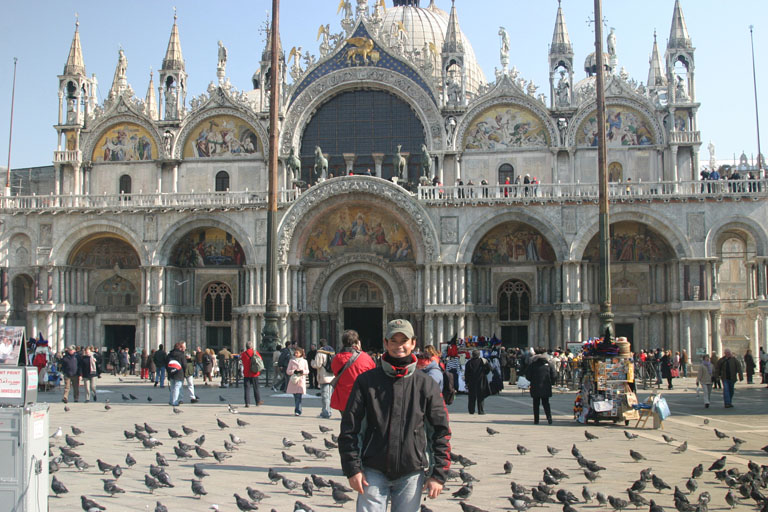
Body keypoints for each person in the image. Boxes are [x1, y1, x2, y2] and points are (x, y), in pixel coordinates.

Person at [338, 319, 451, 511]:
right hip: (372, 471)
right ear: (386, 342)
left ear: (413, 343)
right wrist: (352, 469)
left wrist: (438, 474)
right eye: (394, 340)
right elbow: (350, 428)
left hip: (411, 472)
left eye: (404, 340)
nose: (399, 346)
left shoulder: (426, 384)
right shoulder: (367, 382)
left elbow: (440, 431)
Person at [331, 330, 376, 412]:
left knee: (346, 423)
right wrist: (361, 351)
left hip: (343, 398)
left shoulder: (336, 358)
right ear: (357, 342)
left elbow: (335, 372)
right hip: (360, 398)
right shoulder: (365, 358)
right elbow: (373, 373)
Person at [525, 347, 557, 424]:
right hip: (546, 386)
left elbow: (528, 375)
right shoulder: (549, 364)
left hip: (535, 386)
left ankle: (536, 420)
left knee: (536, 404)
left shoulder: (533, 364)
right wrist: (551, 382)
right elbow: (554, 375)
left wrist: (532, 380)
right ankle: (549, 418)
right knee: (546, 403)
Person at [311, 341, 336, 418]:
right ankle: (329, 410)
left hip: (324, 376)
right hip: (331, 376)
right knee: (329, 395)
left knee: (325, 395)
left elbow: (317, 365)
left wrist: (312, 362)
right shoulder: (332, 352)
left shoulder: (320, 353)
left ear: (320, 345)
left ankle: (326, 412)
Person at [464, 349, 491, 414]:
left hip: (471, 381)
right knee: (481, 396)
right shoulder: (483, 361)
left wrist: (466, 382)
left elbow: (466, 373)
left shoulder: (469, 363)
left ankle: (471, 410)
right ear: (479, 355)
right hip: (481, 380)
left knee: (471, 397)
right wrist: (484, 373)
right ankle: (481, 410)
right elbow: (489, 368)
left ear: (472, 355)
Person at [286, 346, 309, 416]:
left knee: (299, 396)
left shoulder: (304, 361)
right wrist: (294, 371)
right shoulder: (291, 361)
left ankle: (298, 410)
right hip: (294, 380)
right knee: (296, 396)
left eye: (297, 353)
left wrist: (302, 371)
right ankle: (299, 408)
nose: (296, 354)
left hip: (301, 380)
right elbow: (288, 371)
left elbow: (307, 371)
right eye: (295, 353)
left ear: (301, 353)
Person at [241, 341, 264, 407]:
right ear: (251, 346)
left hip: (246, 373)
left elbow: (242, 361)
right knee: (256, 388)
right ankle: (257, 402)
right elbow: (260, 359)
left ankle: (247, 403)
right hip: (254, 373)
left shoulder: (244, 354)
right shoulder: (255, 353)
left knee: (246, 389)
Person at [167, 341, 188, 407]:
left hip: (171, 372)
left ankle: (171, 400)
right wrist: (184, 371)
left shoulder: (169, 354)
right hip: (179, 372)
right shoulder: (181, 355)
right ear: (179, 348)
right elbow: (184, 364)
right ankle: (175, 401)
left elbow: (166, 364)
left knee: (172, 387)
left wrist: (168, 371)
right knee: (177, 387)